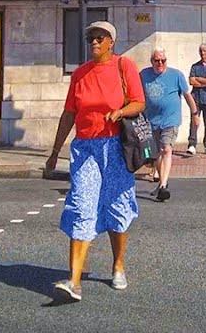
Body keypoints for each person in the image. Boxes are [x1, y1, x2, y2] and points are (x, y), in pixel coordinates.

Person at [45, 21, 145, 303]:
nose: (94, 42)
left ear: (111, 42)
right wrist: (55, 151)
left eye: (100, 38)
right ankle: (74, 282)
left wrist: (120, 112)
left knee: (117, 204)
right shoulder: (80, 74)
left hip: (115, 146)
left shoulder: (124, 66)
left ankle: (118, 266)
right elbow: (69, 114)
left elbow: (139, 102)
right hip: (85, 148)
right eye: (91, 38)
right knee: (81, 205)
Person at [140, 47, 195, 201]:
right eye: (157, 61)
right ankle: (161, 183)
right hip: (151, 120)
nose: (160, 63)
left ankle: (163, 185)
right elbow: (137, 95)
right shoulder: (144, 75)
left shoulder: (176, 75)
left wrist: (195, 113)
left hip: (170, 120)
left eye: (163, 60)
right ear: (152, 61)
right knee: (156, 154)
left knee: (166, 148)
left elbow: (187, 95)